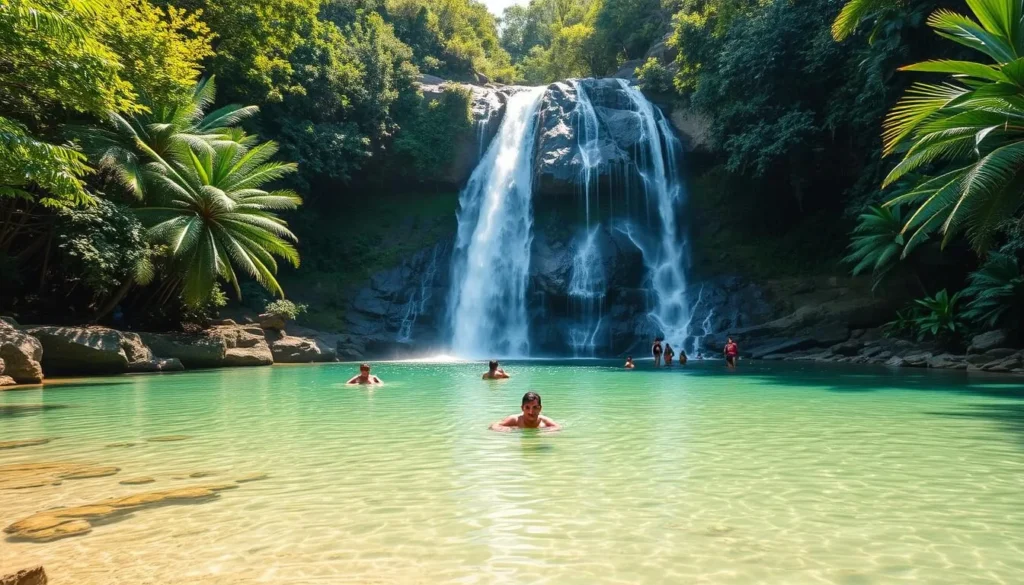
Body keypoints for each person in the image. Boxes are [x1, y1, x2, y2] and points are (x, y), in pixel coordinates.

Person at [490, 391, 561, 431]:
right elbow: (493, 426)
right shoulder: (515, 420)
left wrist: (546, 433)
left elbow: (558, 427)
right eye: (527, 407)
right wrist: (509, 429)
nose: (531, 412)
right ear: (522, 408)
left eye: (535, 407)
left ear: (540, 409)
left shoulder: (544, 421)